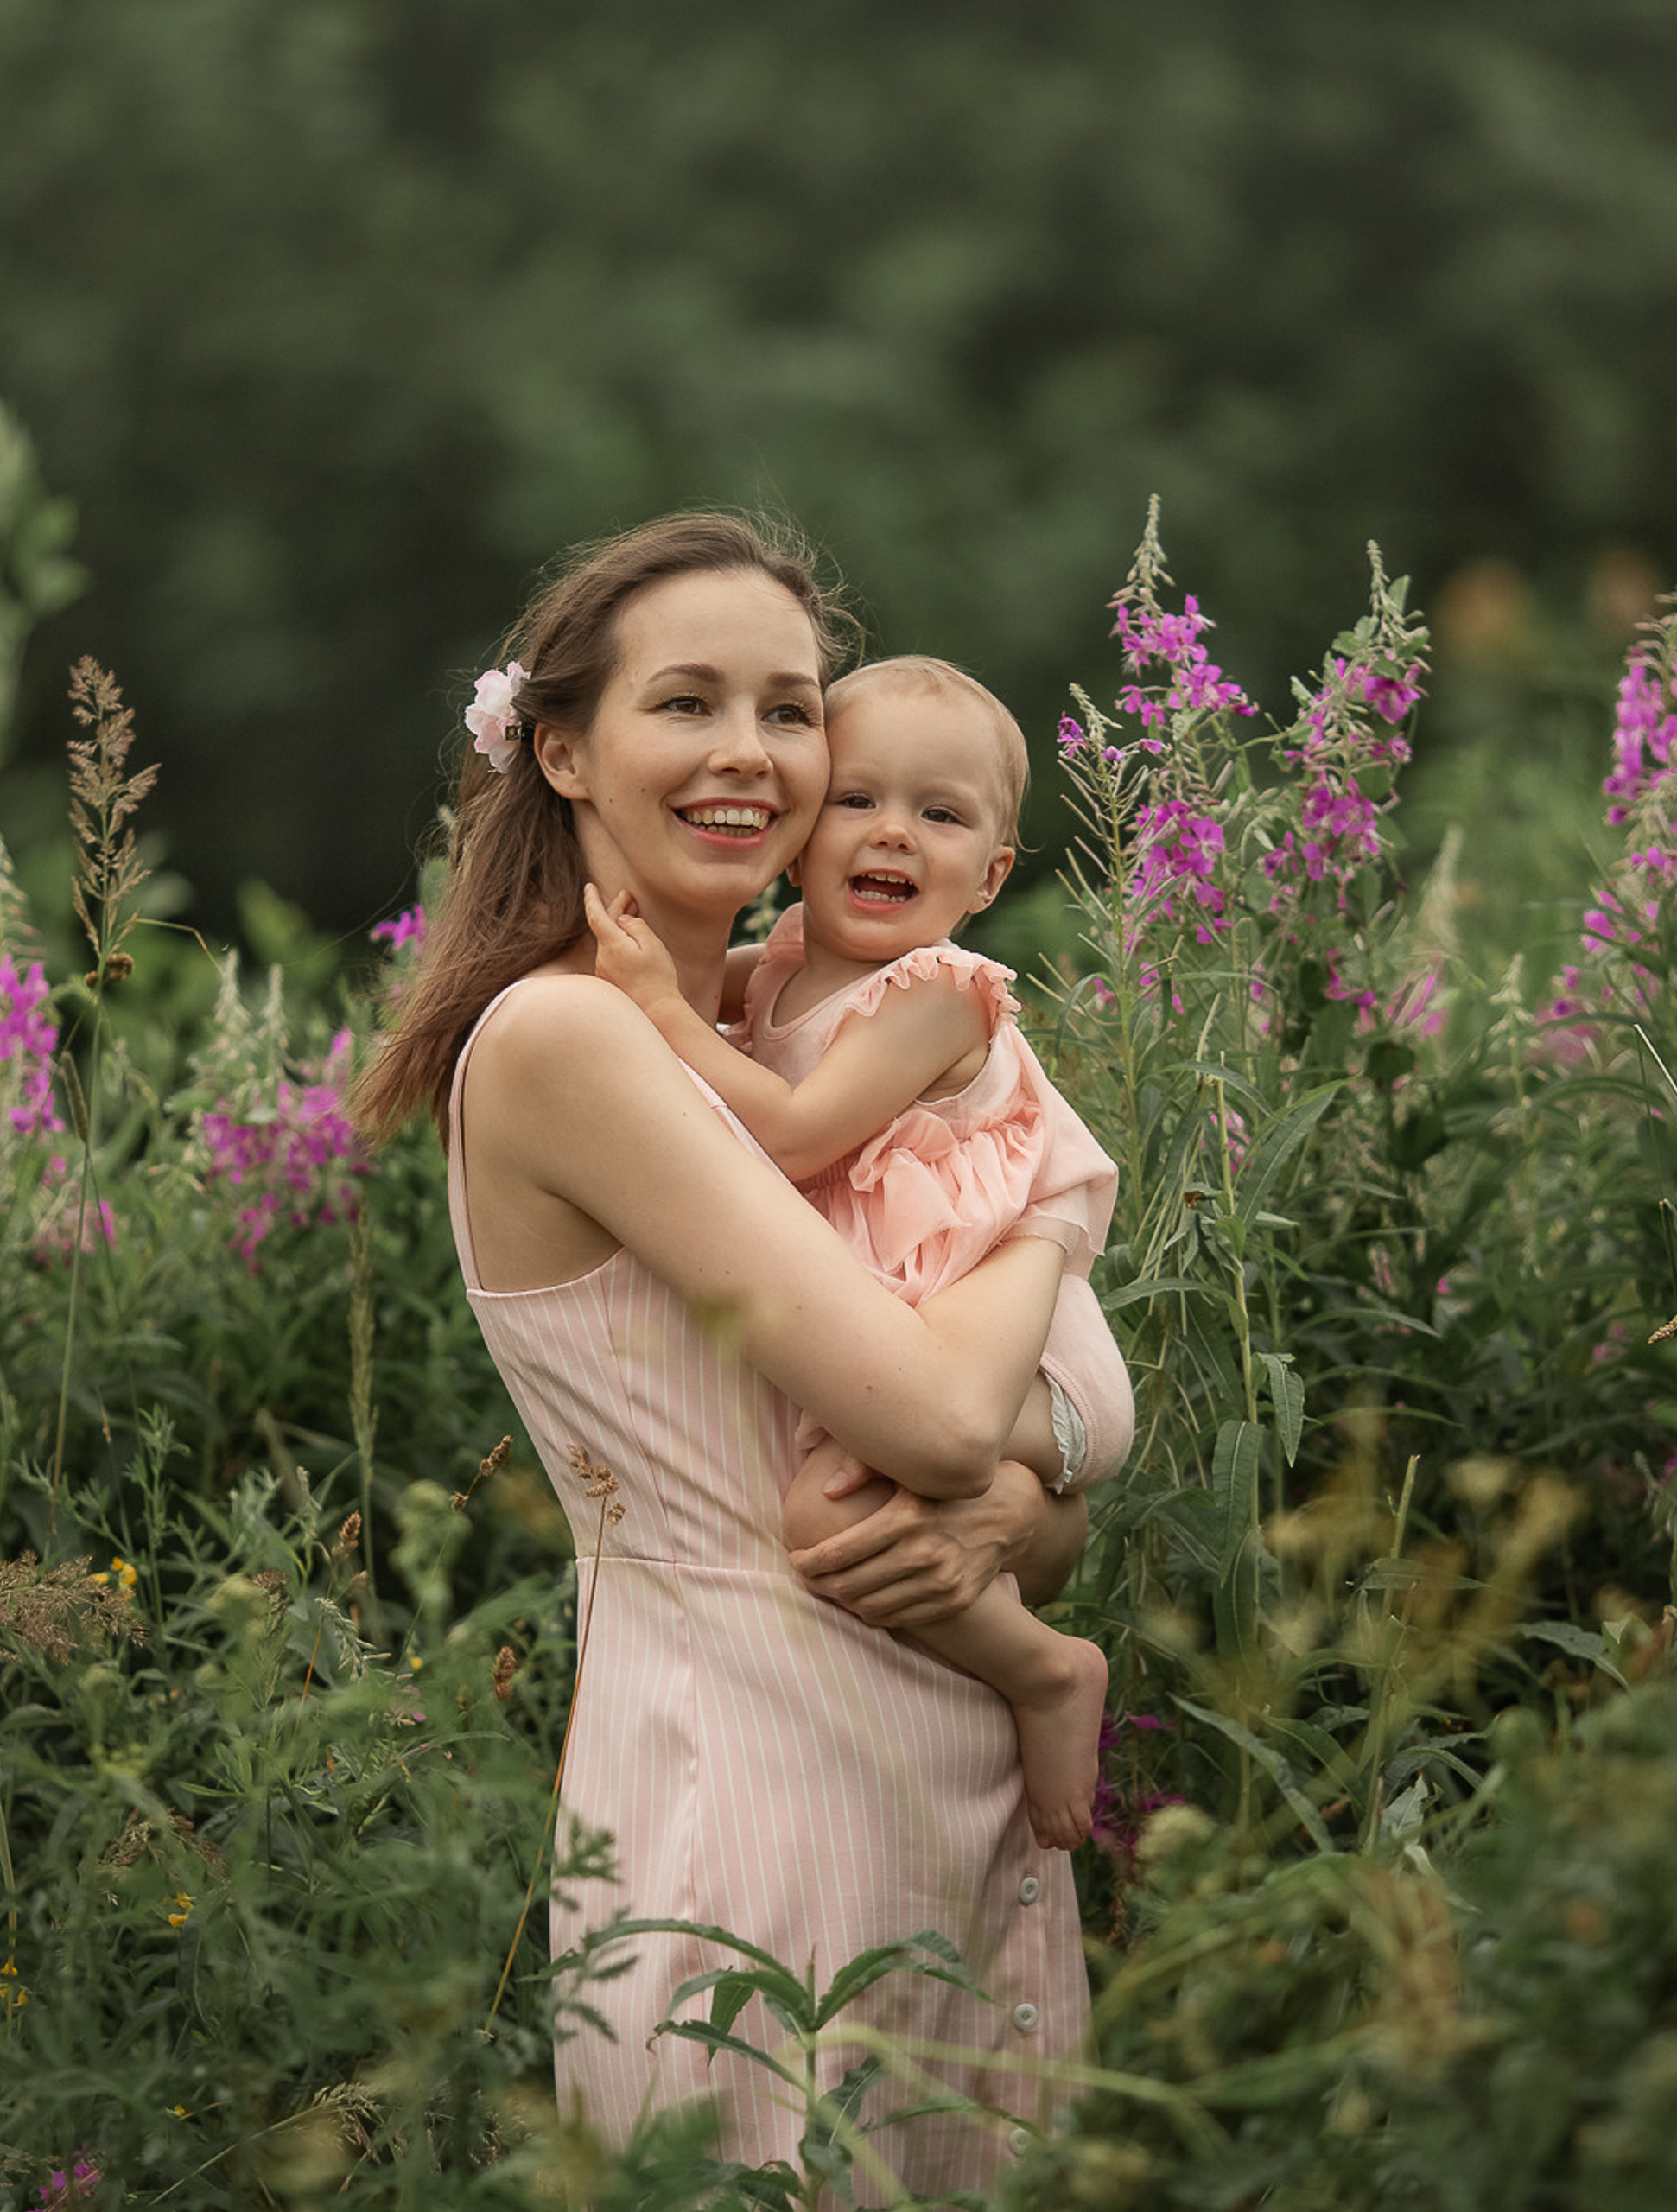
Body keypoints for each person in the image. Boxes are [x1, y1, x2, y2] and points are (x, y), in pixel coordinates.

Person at [353, 515, 1130, 2194]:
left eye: (788, 710)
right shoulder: (572, 1033)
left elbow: (1018, 1482)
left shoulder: (785, 1040)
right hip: (756, 1787)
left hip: (952, 1779)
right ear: (562, 749)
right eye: (686, 702)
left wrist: (1029, 1508)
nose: (748, 752)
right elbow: (942, 1418)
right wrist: (1059, 1212)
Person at [584, 654, 1116, 1852]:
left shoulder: (939, 991)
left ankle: (1046, 1671)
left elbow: (793, 1133)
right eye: (857, 800)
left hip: (1032, 1368)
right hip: (935, 1337)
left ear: (991, 875)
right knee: (862, 1516)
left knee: (825, 1517)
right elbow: (698, 1004)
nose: (892, 833)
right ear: (797, 839)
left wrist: (656, 1010)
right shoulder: (784, 962)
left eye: (941, 815)